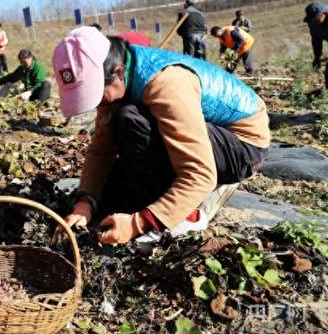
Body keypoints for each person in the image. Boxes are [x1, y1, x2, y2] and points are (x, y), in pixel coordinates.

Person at [51, 26, 269, 244]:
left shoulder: (167, 83)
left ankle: (188, 215)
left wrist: (140, 222)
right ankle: (161, 198)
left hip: (242, 147)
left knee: (130, 118)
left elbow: (200, 173)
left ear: (117, 72)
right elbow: (101, 151)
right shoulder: (116, 80)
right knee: (110, 196)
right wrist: (85, 202)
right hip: (201, 132)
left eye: (97, 95)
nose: (99, 104)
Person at [303, 1, 328, 88]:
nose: (313, 23)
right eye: (311, 21)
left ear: (324, 14)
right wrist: (317, 57)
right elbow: (316, 38)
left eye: (316, 20)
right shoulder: (313, 24)